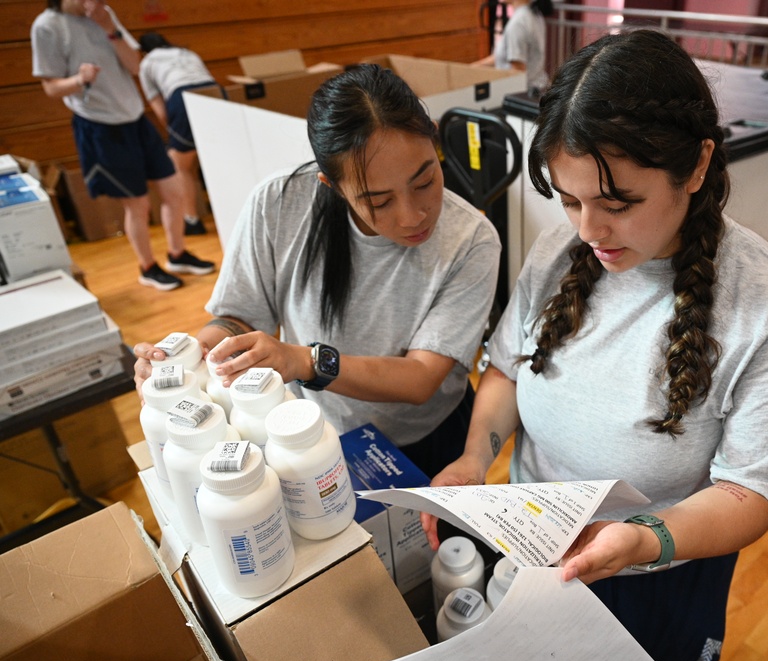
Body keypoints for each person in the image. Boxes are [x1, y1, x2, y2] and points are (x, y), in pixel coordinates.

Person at [424, 30, 768, 661]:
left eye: (618, 203)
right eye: (569, 201)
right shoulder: (560, 254)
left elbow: (749, 493)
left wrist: (642, 541)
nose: (589, 230)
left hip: (660, 573)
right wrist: (476, 456)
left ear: (697, 166)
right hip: (534, 546)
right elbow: (507, 370)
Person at [132, 64, 502, 478]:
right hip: (311, 431)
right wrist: (189, 359)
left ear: (434, 141)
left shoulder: (471, 238)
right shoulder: (278, 203)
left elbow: (418, 379)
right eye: (378, 202)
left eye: (425, 180)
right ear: (332, 185)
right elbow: (237, 318)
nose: (413, 215)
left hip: (429, 438)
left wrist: (307, 362)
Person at [30, 0, 215, 290]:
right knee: (138, 204)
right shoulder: (47, 26)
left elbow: (135, 66)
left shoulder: (104, 14)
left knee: (174, 191)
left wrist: (108, 27)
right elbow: (51, 87)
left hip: (135, 117)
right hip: (99, 123)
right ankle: (148, 267)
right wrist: (79, 79)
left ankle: (177, 254)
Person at [138, 32, 218, 236]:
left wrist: (175, 131)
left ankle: (192, 220)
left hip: (182, 97)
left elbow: (161, 111)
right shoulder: (186, 52)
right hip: (215, 92)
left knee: (179, 164)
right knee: (216, 159)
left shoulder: (147, 63)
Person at [474, 0, 553, 95]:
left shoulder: (518, 23)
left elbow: (518, 70)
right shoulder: (533, 13)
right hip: (537, 86)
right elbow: (503, 56)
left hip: (525, 93)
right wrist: (469, 69)